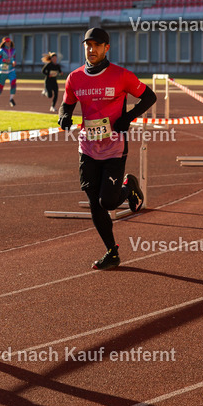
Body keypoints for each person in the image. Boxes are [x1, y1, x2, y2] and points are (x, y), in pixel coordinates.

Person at [57, 28, 156, 270]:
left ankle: (128, 185)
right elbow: (66, 105)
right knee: (94, 202)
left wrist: (129, 117)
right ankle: (111, 251)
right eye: (88, 45)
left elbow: (150, 97)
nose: (91, 49)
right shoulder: (74, 78)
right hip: (88, 147)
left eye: (97, 45)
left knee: (108, 203)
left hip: (114, 146)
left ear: (106, 48)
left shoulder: (121, 75)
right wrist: (63, 117)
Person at [0, 36, 16, 108]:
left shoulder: (13, 50)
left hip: (11, 70)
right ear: (4, 43)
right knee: (0, 85)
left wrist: (13, 62)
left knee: (13, 82)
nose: (8, 43)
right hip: (2, 70)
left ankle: (11, 99)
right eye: (6, 42)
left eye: (9, 42)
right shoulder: (1, 51)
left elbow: (13, 58)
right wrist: (4, 61)